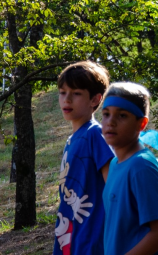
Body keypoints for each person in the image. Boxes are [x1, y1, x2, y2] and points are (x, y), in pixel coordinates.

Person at [100, 82, 158, 255]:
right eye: (106, 114)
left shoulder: (141, 167)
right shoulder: (115, 164)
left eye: (122, 115)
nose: (110, 122)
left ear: (141, 124)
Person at [54, 61, 112, 255]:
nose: (67, 99)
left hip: (91, 240)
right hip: (71, 236)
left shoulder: (95, 134)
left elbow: (115, 187)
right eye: (62, 92)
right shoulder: (72, 140)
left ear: (95, 99)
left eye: (76, 93)